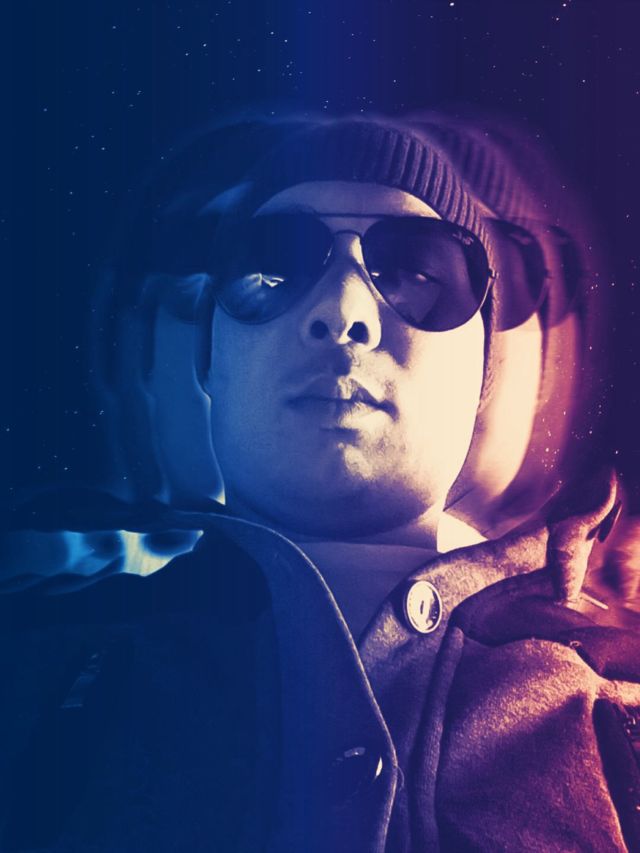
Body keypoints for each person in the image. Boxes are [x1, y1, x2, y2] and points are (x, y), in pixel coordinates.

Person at [1, 116, 639, 852]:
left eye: (419, 274)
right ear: (208, 358)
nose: (342, 313)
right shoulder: (36, 668)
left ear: (482, 377)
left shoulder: (617, 692)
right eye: (270, 269)